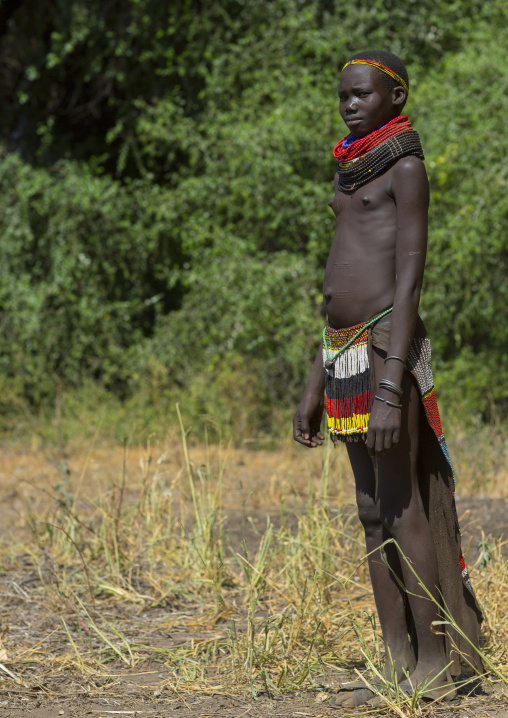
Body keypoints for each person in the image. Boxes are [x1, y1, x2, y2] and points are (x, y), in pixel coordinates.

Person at [293, 51, 483, 706]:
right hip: (340, 348)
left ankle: (435, 660)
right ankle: (398, 658)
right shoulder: (348, 171)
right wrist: (314, 380)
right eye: (342, 94)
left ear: (394, 97)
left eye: (362, 94)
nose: (348, 103)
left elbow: (408, 280)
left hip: (382, 350)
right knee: (372, 512)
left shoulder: (406, 168)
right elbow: (334, 276)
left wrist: (389, 384)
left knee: (403, 510)